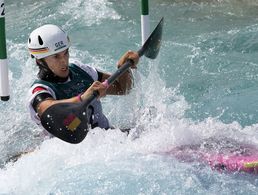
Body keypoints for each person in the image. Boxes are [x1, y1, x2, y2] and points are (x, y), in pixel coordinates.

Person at [27, 24, 139, 137]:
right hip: (71, 150)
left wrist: (124, 68)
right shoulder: (40, 90)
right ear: (40, 61)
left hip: (108, 138)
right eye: (56, 57)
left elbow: (122, 89)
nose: (64, 61)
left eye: (66, 53)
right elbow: (48, 108)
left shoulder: (80, 70)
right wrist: (82, 98)